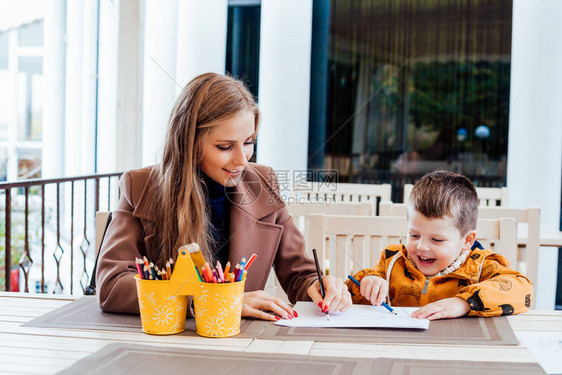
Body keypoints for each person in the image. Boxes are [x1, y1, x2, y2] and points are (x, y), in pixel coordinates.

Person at [96, 73, 352, 320]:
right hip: (166, 345)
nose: (242, 160)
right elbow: (112, 286)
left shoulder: (264, 183)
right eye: (225, 146)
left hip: (240, 344)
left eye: (249, 142)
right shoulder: (140, 186)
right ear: (190, 143)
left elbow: (299, 275)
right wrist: (214, 301)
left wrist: (318, 286)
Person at [346, 170, 532, 320]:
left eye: (437, 240)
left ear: (467, 240)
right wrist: (367, 283)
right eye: (414, 235)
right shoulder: (393, 262)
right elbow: (351, 297)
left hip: (459, 351)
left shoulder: (481, 265)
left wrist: (464, 303)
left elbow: (521, 289)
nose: (422, 247)